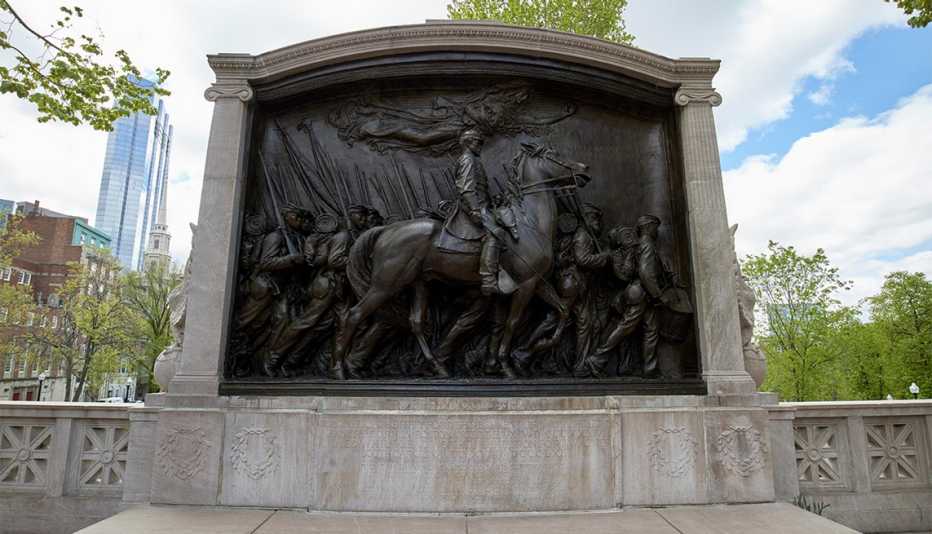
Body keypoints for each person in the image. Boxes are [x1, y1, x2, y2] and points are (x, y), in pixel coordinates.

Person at [444, 129, 515, 295]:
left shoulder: (474, 159)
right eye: (478, 142)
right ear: (468, 143)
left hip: (482, 205)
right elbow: (467, 189)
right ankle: (488, 280)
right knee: (495, 233)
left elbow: (480, 188)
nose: (480, 146)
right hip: (472, 207)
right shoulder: (468, 159)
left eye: (481, 143)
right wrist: (475, 210)